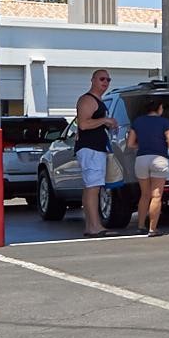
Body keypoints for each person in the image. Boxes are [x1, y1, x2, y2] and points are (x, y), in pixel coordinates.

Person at [73, 70, 117, 238]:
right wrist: (105, 120)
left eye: (108, 79)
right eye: (102, 79)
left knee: (91, 188)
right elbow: (83, 124)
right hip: (90, 149)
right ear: (92, 80)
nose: (105, 82)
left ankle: (91, 225)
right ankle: (95, 226)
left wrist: (108, 124)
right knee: (93, 188)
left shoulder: (99, 101)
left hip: (97, 148)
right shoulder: (87, 100)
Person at [128, 96, 169, 237]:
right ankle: (152, 229)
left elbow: (130, 144)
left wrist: (143, 144)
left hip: (141, 159)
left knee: (144, 195)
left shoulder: (137, 122)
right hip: (159, 159)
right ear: (159, 108)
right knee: (156, 196)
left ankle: (140, 226)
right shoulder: (164, 122)